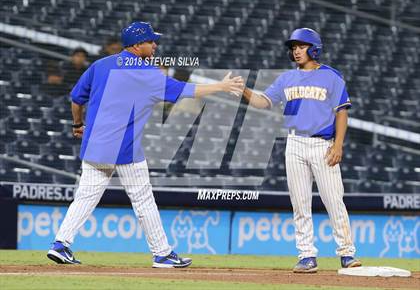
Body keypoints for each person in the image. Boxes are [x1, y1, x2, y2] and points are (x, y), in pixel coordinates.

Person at [46, 21, 244, 268]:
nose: (155, 45)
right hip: (123, 148)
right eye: (151, 41)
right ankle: (162, 253)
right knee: (143, 199)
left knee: (85, 197)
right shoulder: (147, 73)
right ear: (137, 45)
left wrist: (77, 125)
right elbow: (187, 90)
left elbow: (76, 99)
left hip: (94, 146)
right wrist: (221, 86)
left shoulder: (100, 65)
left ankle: (60, 244)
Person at [242, 28, 361, 273]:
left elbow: (342, 112)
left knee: (333, 200)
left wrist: (338, 145)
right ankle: (307, 255)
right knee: (300, 202)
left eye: (301, 46)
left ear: (314, 48)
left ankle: (347, 253)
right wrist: (242, 90)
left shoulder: (331, 76)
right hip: (295, 143)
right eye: (294, 47)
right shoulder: (286, 78)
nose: (296, 51)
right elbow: (263, 102)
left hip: (323, 144)